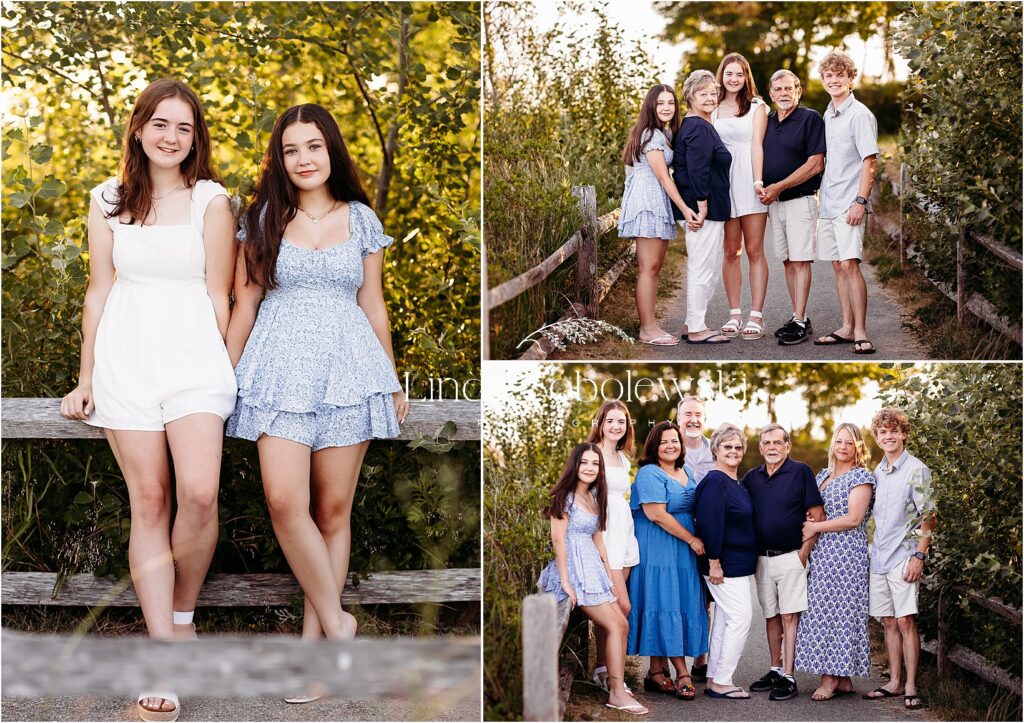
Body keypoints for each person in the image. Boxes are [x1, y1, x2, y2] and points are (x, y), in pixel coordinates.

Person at [60, 78, 236, 723]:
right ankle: (165, 652)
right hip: (126, 361)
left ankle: (182, 619)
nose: (171, 137)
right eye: (160, 124)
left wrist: (225, 368)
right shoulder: (105, 199)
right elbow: (99, 292)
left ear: (196, 139)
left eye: (184, 128)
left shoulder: (213, 202)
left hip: (194, 361)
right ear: (138, 129)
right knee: (151, 500)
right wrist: (85, 379)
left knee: (198, 494)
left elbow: (222, 297)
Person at [225, 105, 409, 696]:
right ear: (279, 160)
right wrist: (223, 376)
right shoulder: (260, 220)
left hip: (350, 368)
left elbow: (373, 304)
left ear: (331, 151)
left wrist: (392, 376)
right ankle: (340, 623)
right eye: (291, 150)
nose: (304, 159)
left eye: (314, 147)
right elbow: (244, 305)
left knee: (333, 513)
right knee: (285, 502)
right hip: (278, 367)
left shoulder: (360, 219)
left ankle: (316, 660)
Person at [538, 444, 649, 715]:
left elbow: (598, 535)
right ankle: (616, 692)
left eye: (595, 464)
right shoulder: (564, 497)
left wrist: (607, 570)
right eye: (584, 462)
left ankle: (617, 687)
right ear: (574, 465)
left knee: (621, 623)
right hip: (574, 570)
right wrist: (566, 581)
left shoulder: (593, 496)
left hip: (594, 569)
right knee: (614, 625)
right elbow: (558, 541)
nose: (589, 468)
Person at [741, 424, 824, 701]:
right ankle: (775, 669)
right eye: (767, 442)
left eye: (778, 442)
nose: (772, 447)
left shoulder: (800, 472)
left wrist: (804, 552)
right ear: (761, 448)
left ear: (787, 446)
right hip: (762, 559)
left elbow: (817, 515)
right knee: (771, 616)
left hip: (791, 556)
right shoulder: (752, 477)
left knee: (790, 615)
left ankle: (789, 676)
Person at [627, 422, 708, 701]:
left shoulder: (685, 470)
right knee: (664, 601)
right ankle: (682, 672)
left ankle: (656, 672)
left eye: (675, 440)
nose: (671, 445)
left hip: (682, 549)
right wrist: (692, 539)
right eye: (664, 442)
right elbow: (656, 515)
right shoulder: (649, 473)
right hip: (659, 546)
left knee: (675, 601)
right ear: (654, 446)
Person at [796, 423, 875, 700]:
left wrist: (816, 528)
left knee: (840, 612)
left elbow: (854, 519)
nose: (843, 447)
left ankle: (829, 678)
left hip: (846, 554)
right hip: (823, 553)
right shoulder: (823, 475)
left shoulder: (861, 477)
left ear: (858, 448)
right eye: (839, 441)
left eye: (849, 443)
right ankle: (842, 678)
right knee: (820, 610)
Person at [863, 408, 935, 711]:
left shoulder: (917, 469)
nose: (888, 436)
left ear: (903, 434)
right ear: (877, 438)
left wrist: (920, 555)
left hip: (904, 557)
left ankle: (910, 686)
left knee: (906, 621)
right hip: (879, 555)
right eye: (882, 432)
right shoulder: (877, 472)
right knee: (889, 622)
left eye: (894, 431)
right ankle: (893, 682)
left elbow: (928, 515)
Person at [618, 84, 699, 345]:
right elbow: (664, 178)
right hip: (648, 202)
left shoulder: (663, 133)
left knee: (653, 269)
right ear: (651, 107)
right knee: (648, 268)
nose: (666, 108)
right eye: (660, 103)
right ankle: (647, 329)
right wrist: (686, 210)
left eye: (671, 103)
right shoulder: (651, 135)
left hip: (655, 200)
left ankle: (651, 326)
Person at [815, 51, 879, 354]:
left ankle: (862, 332)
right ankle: (846, 326)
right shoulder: (829, 113)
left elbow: (870, 161)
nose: (834, 80)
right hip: (828, 202)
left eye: (839, 75)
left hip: (848, 203)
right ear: (823, 80)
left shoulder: (860, 114)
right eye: (828, 76)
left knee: (851, 265)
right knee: (838, 267)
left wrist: (860, 201)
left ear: (850, 79)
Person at [757, 70, 826, 346]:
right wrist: (763, 186)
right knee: (787, 260)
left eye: (789, 88)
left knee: (800, 260)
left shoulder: (810, 119)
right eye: (778, 89)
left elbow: (816, 163)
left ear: (798, 91)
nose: (784, 94)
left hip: (800, 201)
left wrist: (779, 186)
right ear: (771, 94)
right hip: (775, 204)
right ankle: (800, 316)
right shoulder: (767, 121)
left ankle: (799, 320)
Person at [692, 424, 757, 700]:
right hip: (723, 564)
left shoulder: (734, 482)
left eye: (738, 447)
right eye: (727, 446)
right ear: (715, 449)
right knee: (741, 617)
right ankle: (723, 681)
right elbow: (709, 523)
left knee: (725, 619)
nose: (733, 451)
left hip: (736, 563)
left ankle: (714, 678)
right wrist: (714, 562)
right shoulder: (716, 481)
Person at [672, 69, 733, 344]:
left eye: (713, 92)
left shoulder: (698, 124)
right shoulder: (697, 126)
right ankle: (697, 329)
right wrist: (702, 204)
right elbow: (697, 170)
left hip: (706, 208)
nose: (710, 98)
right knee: (703, 268)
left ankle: (691, 323)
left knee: (706, 265)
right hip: (702, 210)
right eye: (702, 93)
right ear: (690, 97)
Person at [712, 53, 769, 341]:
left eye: (739, 74)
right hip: (723, 183)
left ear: (746, 77)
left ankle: (756, 315)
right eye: (729, 73)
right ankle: (734, 313)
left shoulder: (757, 106)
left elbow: (757, 145)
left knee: (754, 250)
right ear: (721, 75)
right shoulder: (712, 107)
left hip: (750, 180)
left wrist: (758, 181)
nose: (733, 79)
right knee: (730, 250)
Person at [586, 401, 640, 690]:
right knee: (621, 605)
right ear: (601, 423)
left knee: (614, 607)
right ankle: (610, 675)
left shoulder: (623, 458)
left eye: (622, 421)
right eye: (611, 421)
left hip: (625, 535)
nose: (616, 426)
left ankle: (603, 671)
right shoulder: (591, 456)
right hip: (605, 535)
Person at [677, 395, 715, 483]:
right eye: (688, 414)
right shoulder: (667, 450)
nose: (694, 420)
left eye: (698, 415)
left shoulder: (717, 449)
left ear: (705, 419)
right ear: (678, 419)